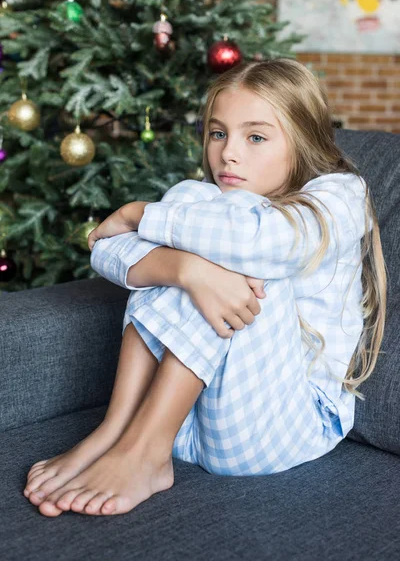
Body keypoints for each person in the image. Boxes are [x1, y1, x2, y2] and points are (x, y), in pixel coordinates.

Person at [23, 58, 386, 519]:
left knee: (229, 247)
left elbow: (259, 243)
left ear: (302, 139)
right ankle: (114, 430)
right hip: (193, 424)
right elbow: (104, 249)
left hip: (284, 428)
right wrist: (184, 271)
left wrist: (139, 213)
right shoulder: (203, 204)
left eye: (255, 137)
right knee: (195, 205)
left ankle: (143, 452)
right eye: (218, 133)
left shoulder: (340, 197)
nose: (228, 154)